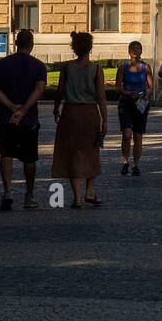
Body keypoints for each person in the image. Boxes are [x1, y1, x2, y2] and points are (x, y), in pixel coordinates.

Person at [0, 29, 48, 211]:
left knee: (6, 154)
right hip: (28, 119)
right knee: (30, 159)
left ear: (15, 43)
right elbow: (38, 91)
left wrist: (11, 107)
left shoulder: (1, 64)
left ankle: (7, 191)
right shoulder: (38, 66)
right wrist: (23, 110)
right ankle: (29, 196)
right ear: (32, 45)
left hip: (6, 118)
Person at [52, 31, 108, 208]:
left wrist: (56, 109)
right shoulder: (96, 69)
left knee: (73, 153)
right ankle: (90, 192)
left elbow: (60, 91)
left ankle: (77, 198)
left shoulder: (67, 67)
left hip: (70, 113)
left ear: (74, 48)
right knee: (91, 151)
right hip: (89, 113)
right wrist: (105, 119)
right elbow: (100, 96)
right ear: (90, 48)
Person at [116, 41, 154, 176]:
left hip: (141, 103)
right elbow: (118, 87)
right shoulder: (123, 67)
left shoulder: (146, 67)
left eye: (138, 48)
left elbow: (150, 86)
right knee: (127, 134)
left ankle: (136, 165)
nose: (136, 51)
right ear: (129, 51)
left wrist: (146, 94)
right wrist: (127, 93)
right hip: (126, 103)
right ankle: (125, 160)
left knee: (138, 135)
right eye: (133, 48)